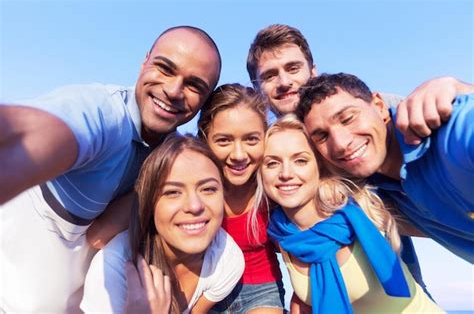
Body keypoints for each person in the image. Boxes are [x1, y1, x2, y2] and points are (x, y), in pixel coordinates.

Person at [0, 25, 221, 313]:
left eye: (194, 85)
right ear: (145, 61)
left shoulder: (175, 160)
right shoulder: (103, 113)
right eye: (165, 68)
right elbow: (33, 134)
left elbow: (101, 236)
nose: (173, 90)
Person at [261, 114, 443, 313]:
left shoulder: (365, 208)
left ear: (319, 166)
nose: (286, 173)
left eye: (301, 160)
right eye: (272, 163)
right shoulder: (280, 235)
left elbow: (444, 225)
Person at [296, 72, 474, 263]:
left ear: (379, 106)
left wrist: (460, 87)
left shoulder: (452, 135)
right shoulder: (372, 193)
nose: (340, 143)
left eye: (348, 118)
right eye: (322, 136)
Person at [81, 134, 244, 313]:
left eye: (208, 189)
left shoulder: (227, 258)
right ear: (149, 204)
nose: (195, 206)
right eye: (172, 192)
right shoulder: (114, 268)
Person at [246, 23, 471, 144]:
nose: (284, 82)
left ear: (313, 72)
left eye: (293, 68)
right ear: (257, 88)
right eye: (270, 76)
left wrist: (455, 87)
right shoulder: (267, 147)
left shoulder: (370, 107)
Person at [197, 84, 285, 313]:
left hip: (261, 290)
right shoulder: (192, 186)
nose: (238, 155)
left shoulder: (274, 188)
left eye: (251, 140)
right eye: (224, 141)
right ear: (205, 138)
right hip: (203, 290)